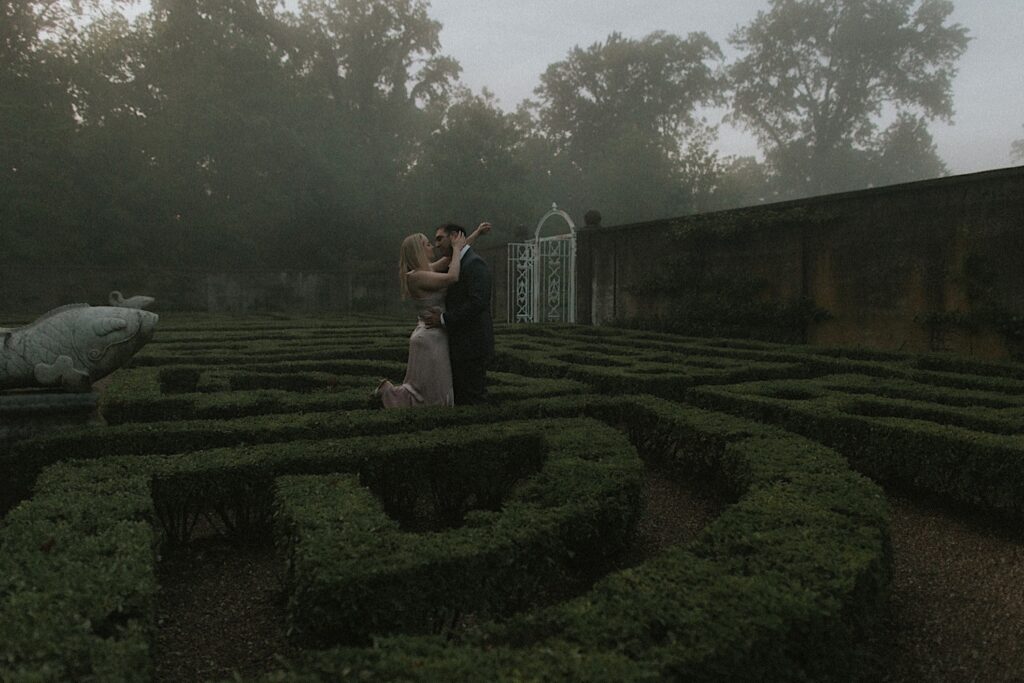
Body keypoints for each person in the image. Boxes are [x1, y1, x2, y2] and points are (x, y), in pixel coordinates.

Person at [374, 224, 490, 408]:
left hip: (434, 334)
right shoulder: (417, 276)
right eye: (428, 244)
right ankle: (388, 395)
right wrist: (459, 248)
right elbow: (452, 276)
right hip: (430, 336)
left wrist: (476, 234)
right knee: (430, 392)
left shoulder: (426, 269)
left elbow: (453, 255)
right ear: (418, 250)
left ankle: (391, 396)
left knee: (431, 388)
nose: (433, 246)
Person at [423, 222, 494, 405]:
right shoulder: (456, 262)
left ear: (454, 236)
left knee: (474, 397)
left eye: (440, 238)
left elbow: (478, 302)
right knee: (462, 396)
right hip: (459, 343)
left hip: (472, 344)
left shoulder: (475, 263)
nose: (437, 244)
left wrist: (443, 319)